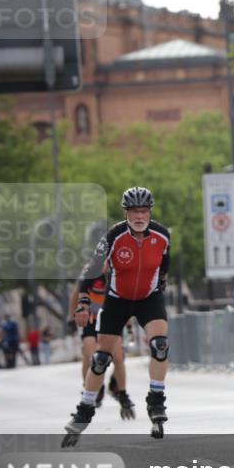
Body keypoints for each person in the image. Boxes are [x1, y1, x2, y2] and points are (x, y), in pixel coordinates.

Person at [62, 186, 172, 445]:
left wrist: (160, 285)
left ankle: (156, 400)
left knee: (160, 344)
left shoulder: (162, 235)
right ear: (126, 213)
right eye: (134, 211)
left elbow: (164, 265)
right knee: (101, 358)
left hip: (148, 298)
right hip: (117, 300)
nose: (139, 216)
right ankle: (85, 409)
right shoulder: (113, 236)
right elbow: (91, 269)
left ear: (150, 212)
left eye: (143, 211)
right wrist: (83, 303)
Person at [68, 273, 132, 417]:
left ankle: (121, 391)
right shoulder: (91, 272)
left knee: (118, 356)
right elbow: (76, 293)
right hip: (91, 318)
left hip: (111, 318)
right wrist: (71, 316)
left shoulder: (119, 269)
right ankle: (90, 389)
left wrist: (128, 323)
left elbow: (128, 298)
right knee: (90, 353)